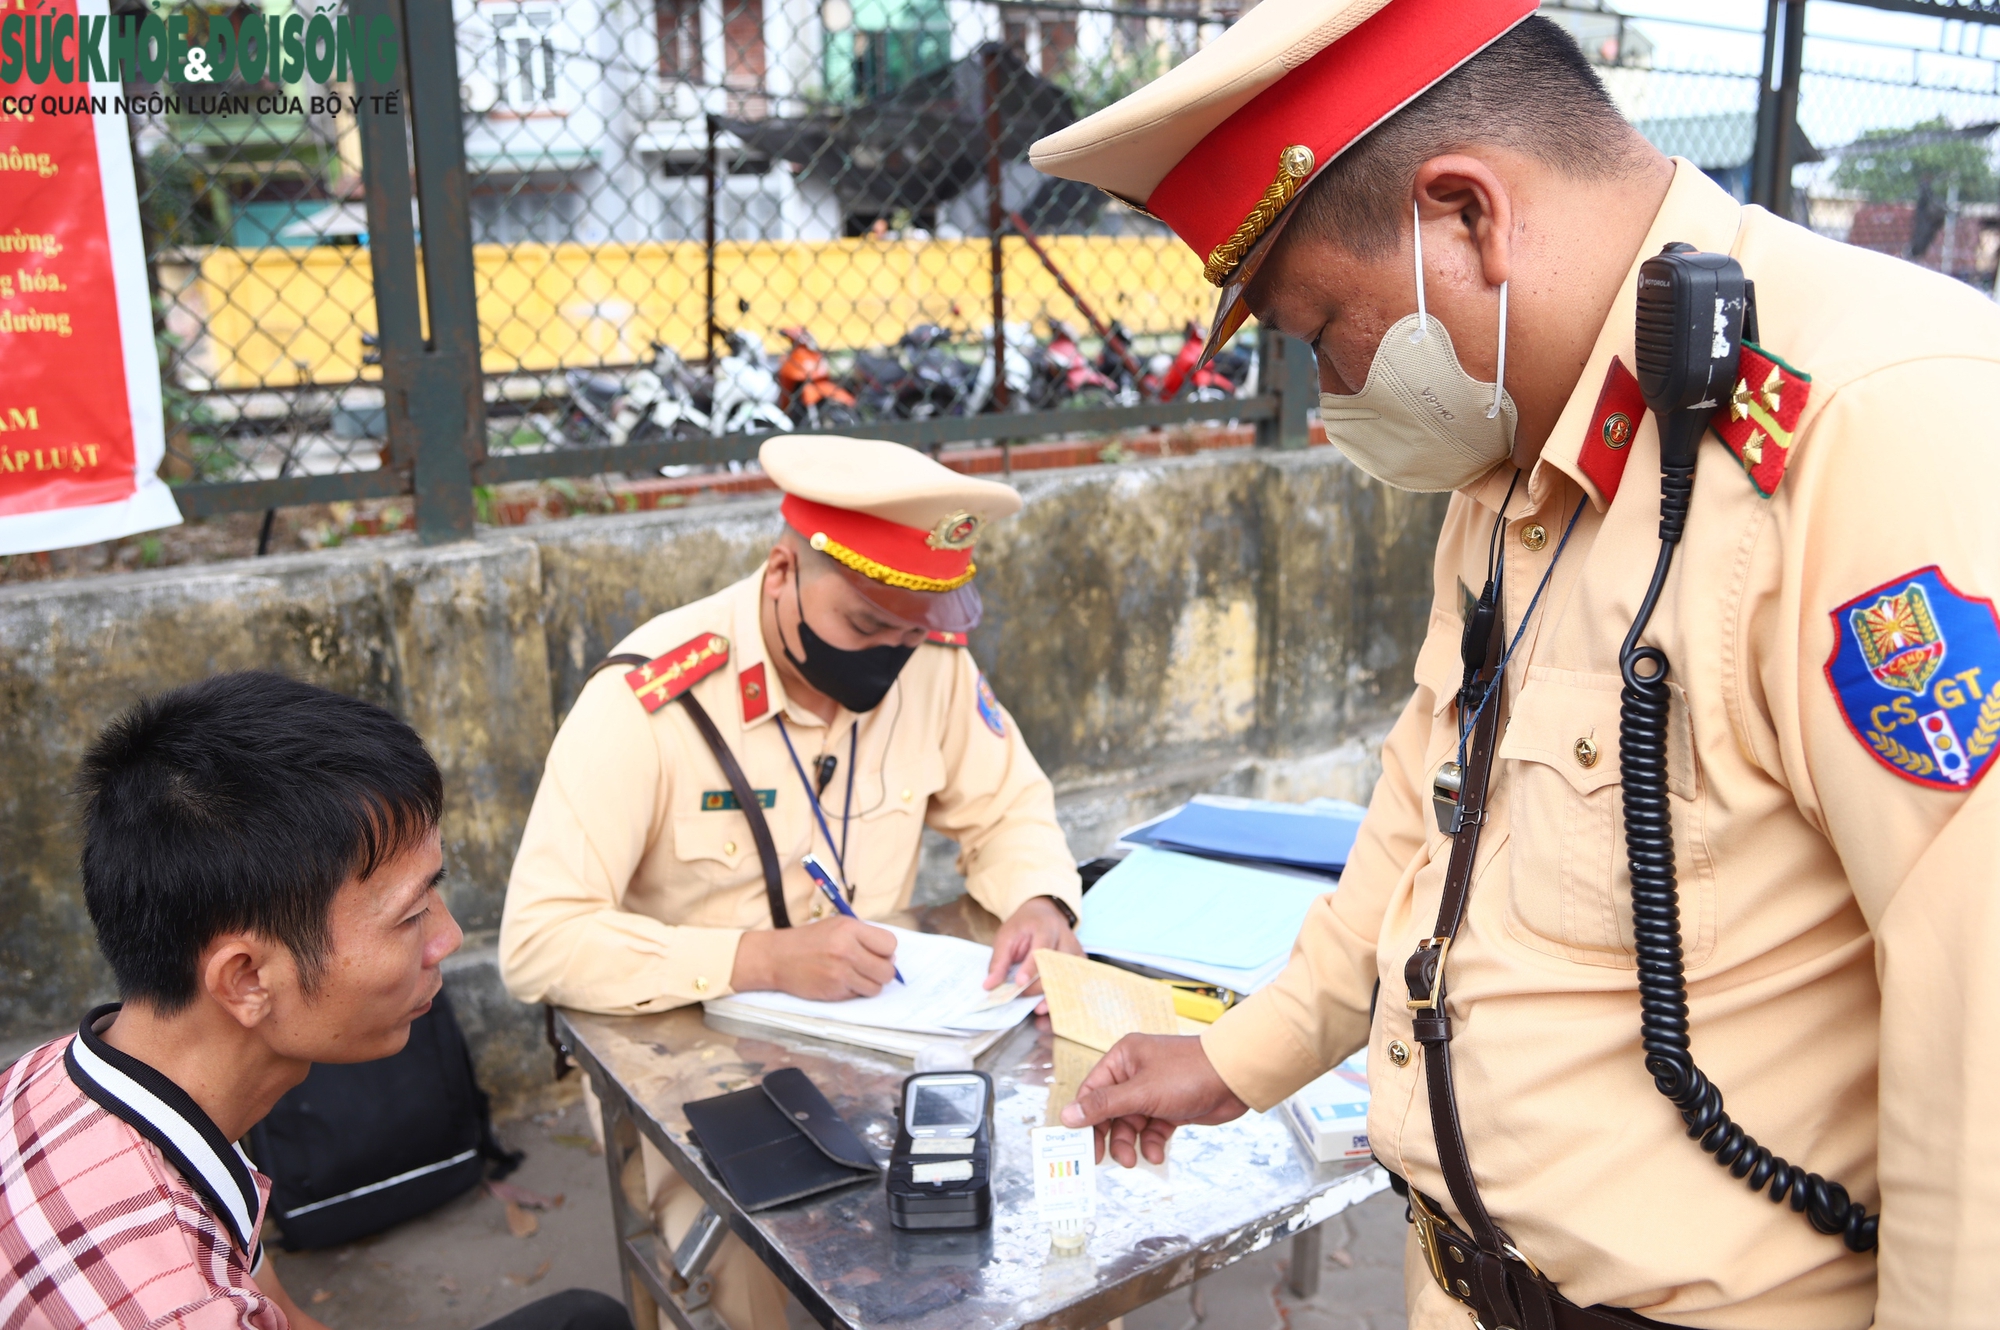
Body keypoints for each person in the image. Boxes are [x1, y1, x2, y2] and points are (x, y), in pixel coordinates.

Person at [1030, 3, 1998, 1329]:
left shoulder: (1883, 427)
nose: (1329, 406)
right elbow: (1420, 824)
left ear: (1467, 216)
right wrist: (1232, 1060)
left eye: (1327, 328)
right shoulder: (1511, 457)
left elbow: (1981, 1045)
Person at [500, 433, 1085, 1330]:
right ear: (783, 572)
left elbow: (1010, 810)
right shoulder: (650, 702)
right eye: (865, 626)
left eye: (915, 629)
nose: (892, 657)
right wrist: (757, 958)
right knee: (763, 1259)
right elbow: (539, 940)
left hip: (891, 1045)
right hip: (701, 1073)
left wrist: (1041, 900)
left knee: (1047, 1209)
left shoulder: (931, 663)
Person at [0, 672, 631, 1330]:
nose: (447, 938)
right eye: (411, 913)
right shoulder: (176, 1309)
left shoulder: (54, 1081)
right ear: (245, 979)